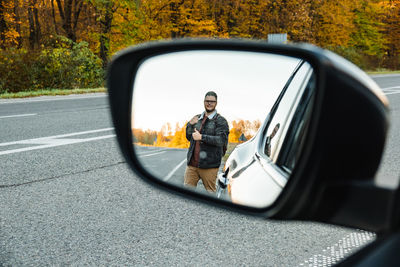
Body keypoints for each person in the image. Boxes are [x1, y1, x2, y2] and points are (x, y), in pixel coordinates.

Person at [184, 91, 229, 192]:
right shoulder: (197, 118)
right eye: (207, 101)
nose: (209, 103)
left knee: (210, 195)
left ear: (216, 103)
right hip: (192, 165)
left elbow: (221, 140)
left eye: (212, 101)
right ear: (204, 102)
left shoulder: (221, 121)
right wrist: (190, 125)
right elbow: (189, 137)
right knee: (186, 195)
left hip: (209, 166)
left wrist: (202, 137)